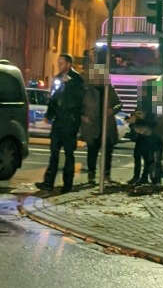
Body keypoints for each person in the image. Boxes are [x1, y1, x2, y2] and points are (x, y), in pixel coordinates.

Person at [36, 54, 85, 193]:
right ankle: (48, 182)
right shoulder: (58, 78)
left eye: (62, 63)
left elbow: (78, 101)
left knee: (69, 154)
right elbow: (53, 99)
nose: (59, 65)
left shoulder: (77, 79)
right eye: (59, 63)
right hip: (58, 122)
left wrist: (68, 84)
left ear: (69, 64)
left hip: (70, 122)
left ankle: (67, 184)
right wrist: (49, 115)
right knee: (54, 153)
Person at [79, 68, 121, 184]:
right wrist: (83, 117)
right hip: (93, 127)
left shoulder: (109, 90)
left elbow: (118, 104)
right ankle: (91, 175)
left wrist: (112, 110)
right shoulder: (87, 91)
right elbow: (80, 107)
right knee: (92, 152)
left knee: (107, 153)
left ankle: (106, 175)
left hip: (107, 127)